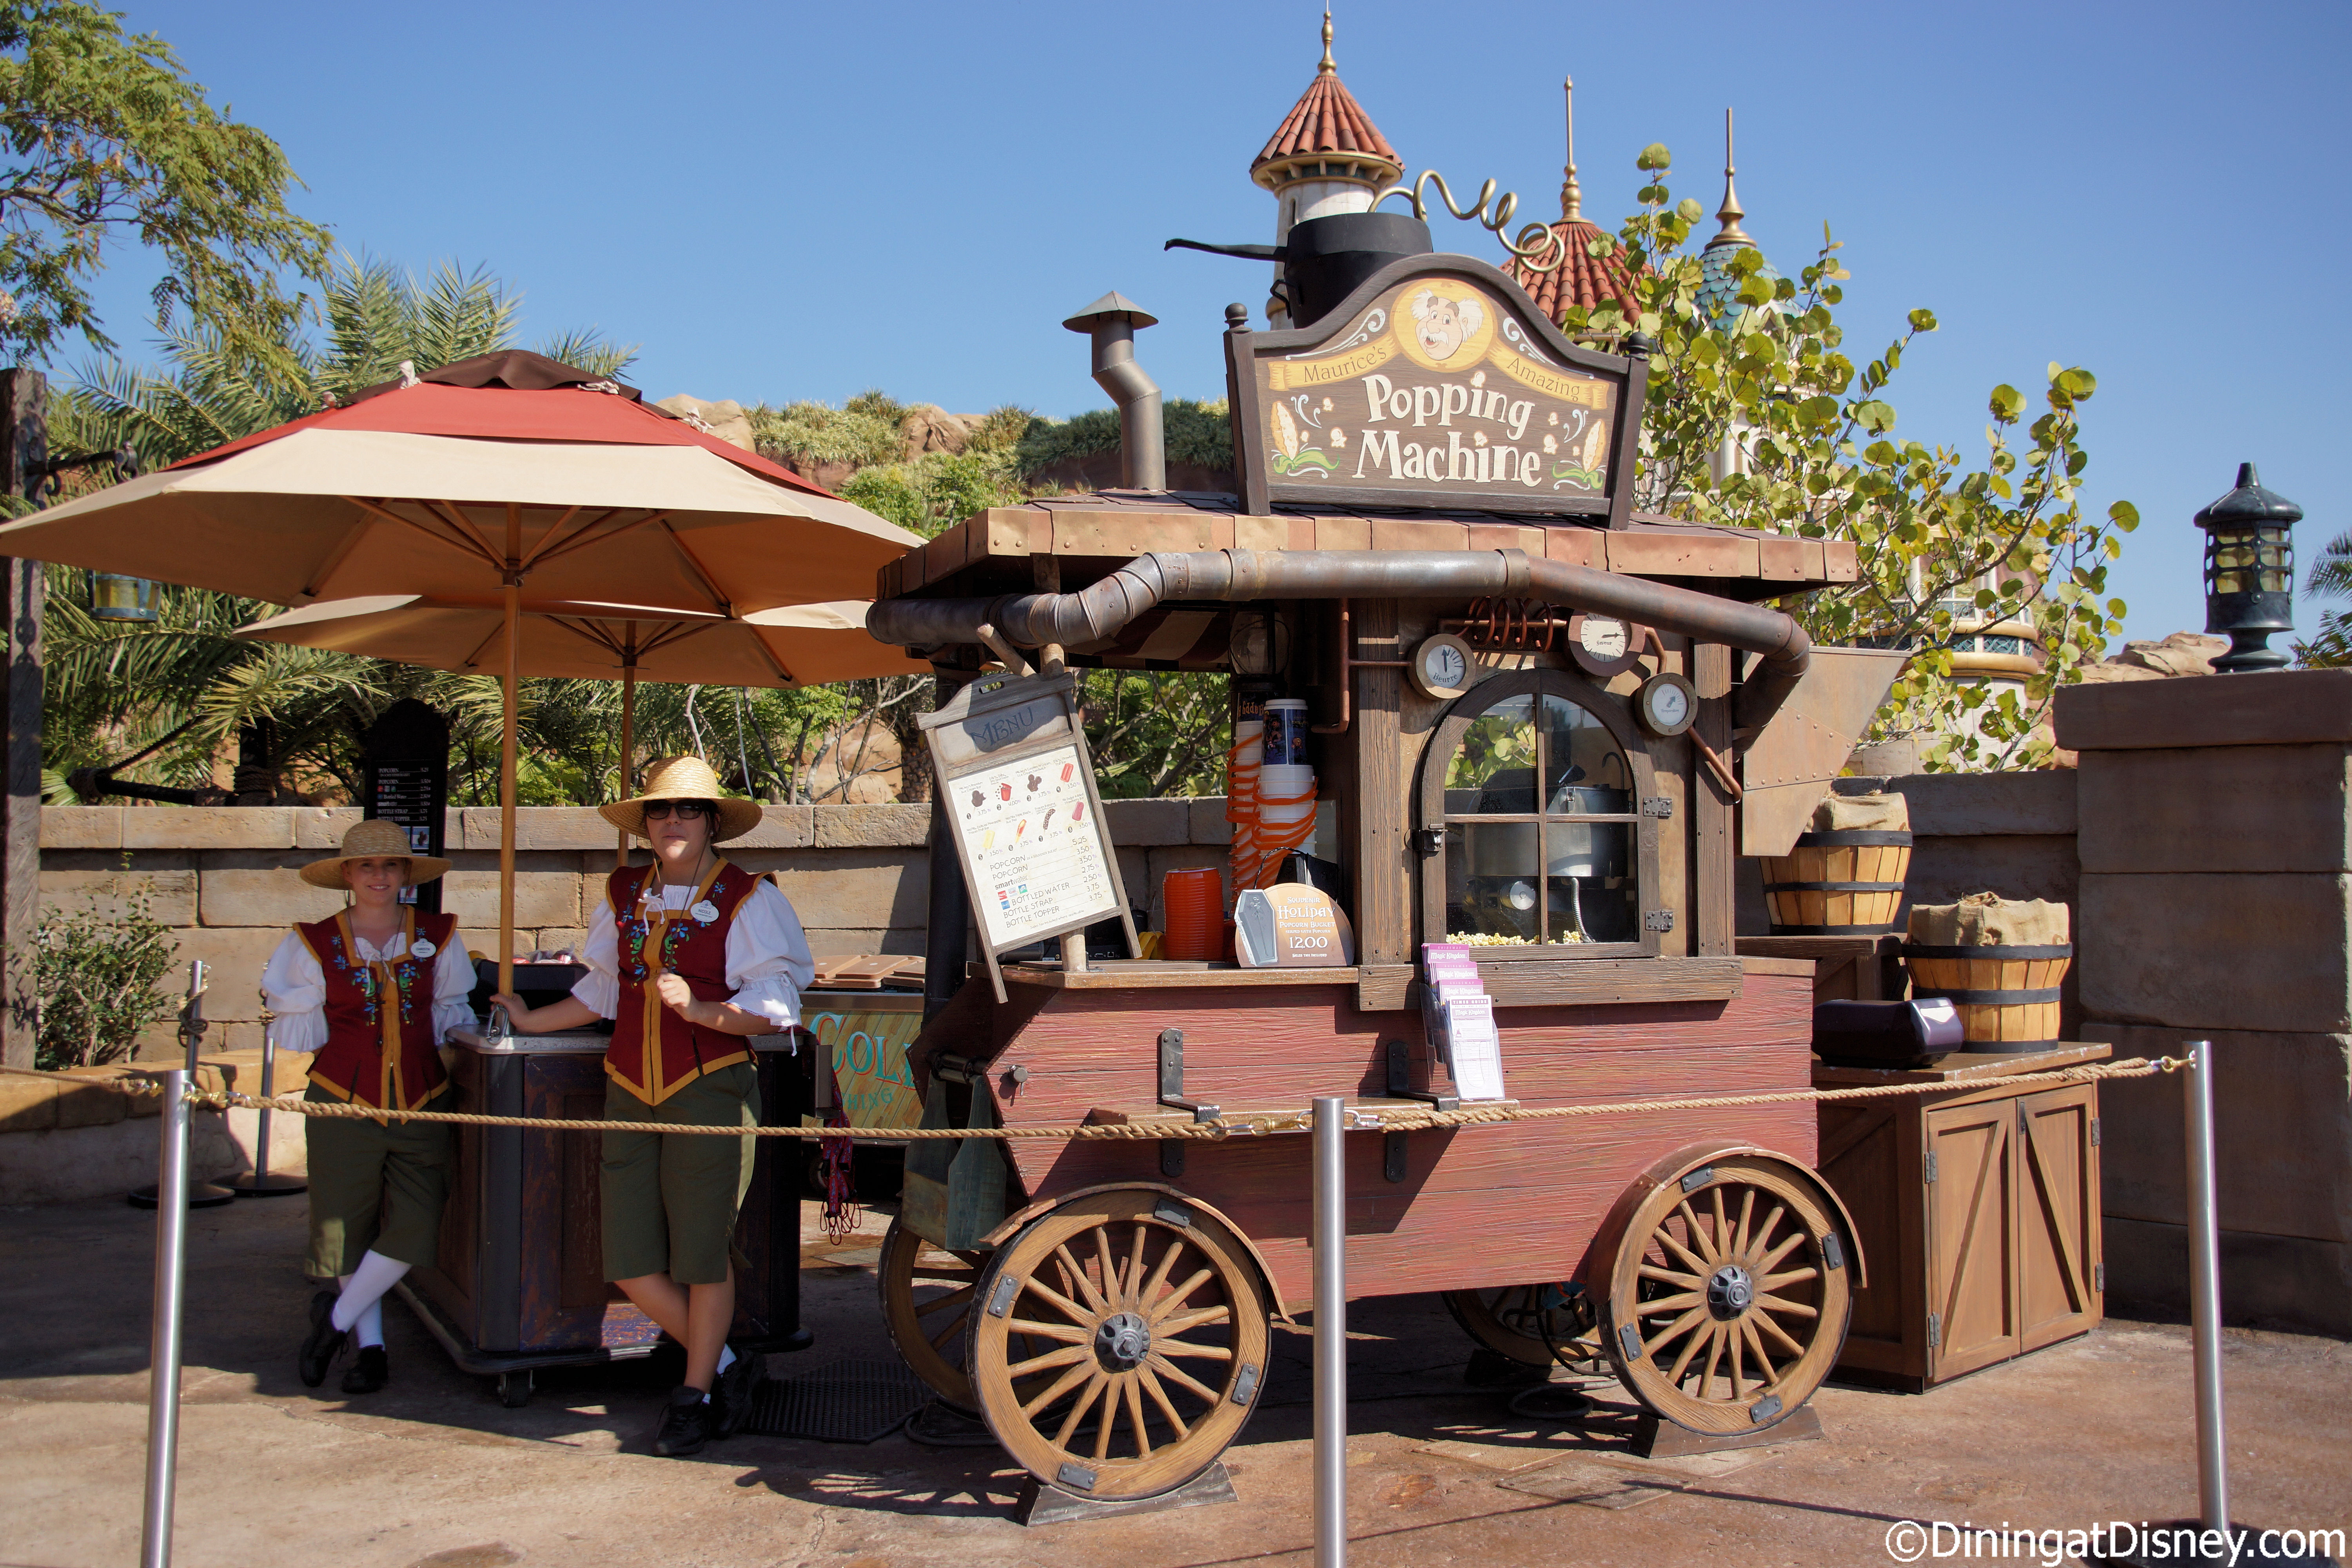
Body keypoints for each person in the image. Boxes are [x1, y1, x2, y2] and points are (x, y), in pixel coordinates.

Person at [492, 755, 812, 1457]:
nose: (674, 821)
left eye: (689, 811)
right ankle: (729, 1365)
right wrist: (525, 1019)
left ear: (711, 823)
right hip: (628, 1089)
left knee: (701, 1256)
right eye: (662, 811)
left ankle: (694, 1393)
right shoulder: (622, 893)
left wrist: (700, 1009)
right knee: (631, 1260)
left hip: (712, 1090)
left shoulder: (748, 897)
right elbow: (599, 995)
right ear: (645, 824)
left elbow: (775, 1010)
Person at [262, 818, 475, 1395]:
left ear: (407, 875)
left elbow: (452, 1017)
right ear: (348, 876)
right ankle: (371, 1349)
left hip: (423, 1103)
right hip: (340, 1103)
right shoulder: (313, 941)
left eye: (390, 866)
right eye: (366, 866)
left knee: (417, 1224)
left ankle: (331, 1323)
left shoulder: (440, 933)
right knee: (348, 1227)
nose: (379, 876)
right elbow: (300, 1033)